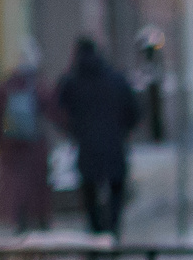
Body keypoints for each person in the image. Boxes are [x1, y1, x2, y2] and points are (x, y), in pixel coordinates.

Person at [54, 38, 139, 240]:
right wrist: (122, 130)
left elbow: (58, 109)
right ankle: (112, 234)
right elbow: (134, 110)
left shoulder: (71, 81)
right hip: (114, 146)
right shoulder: (116, 78)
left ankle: (95, 237)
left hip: (87, 148)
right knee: (116, 190)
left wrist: (74, 130)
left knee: (90, 193)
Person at [0, 40, 55, 234]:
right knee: (37, 182)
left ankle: (20, 220)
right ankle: (40, 220)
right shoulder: (37, 84)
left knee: (17, 184)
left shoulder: (6, 85)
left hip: (11, 145)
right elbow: (51, 108)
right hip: (34, 144)